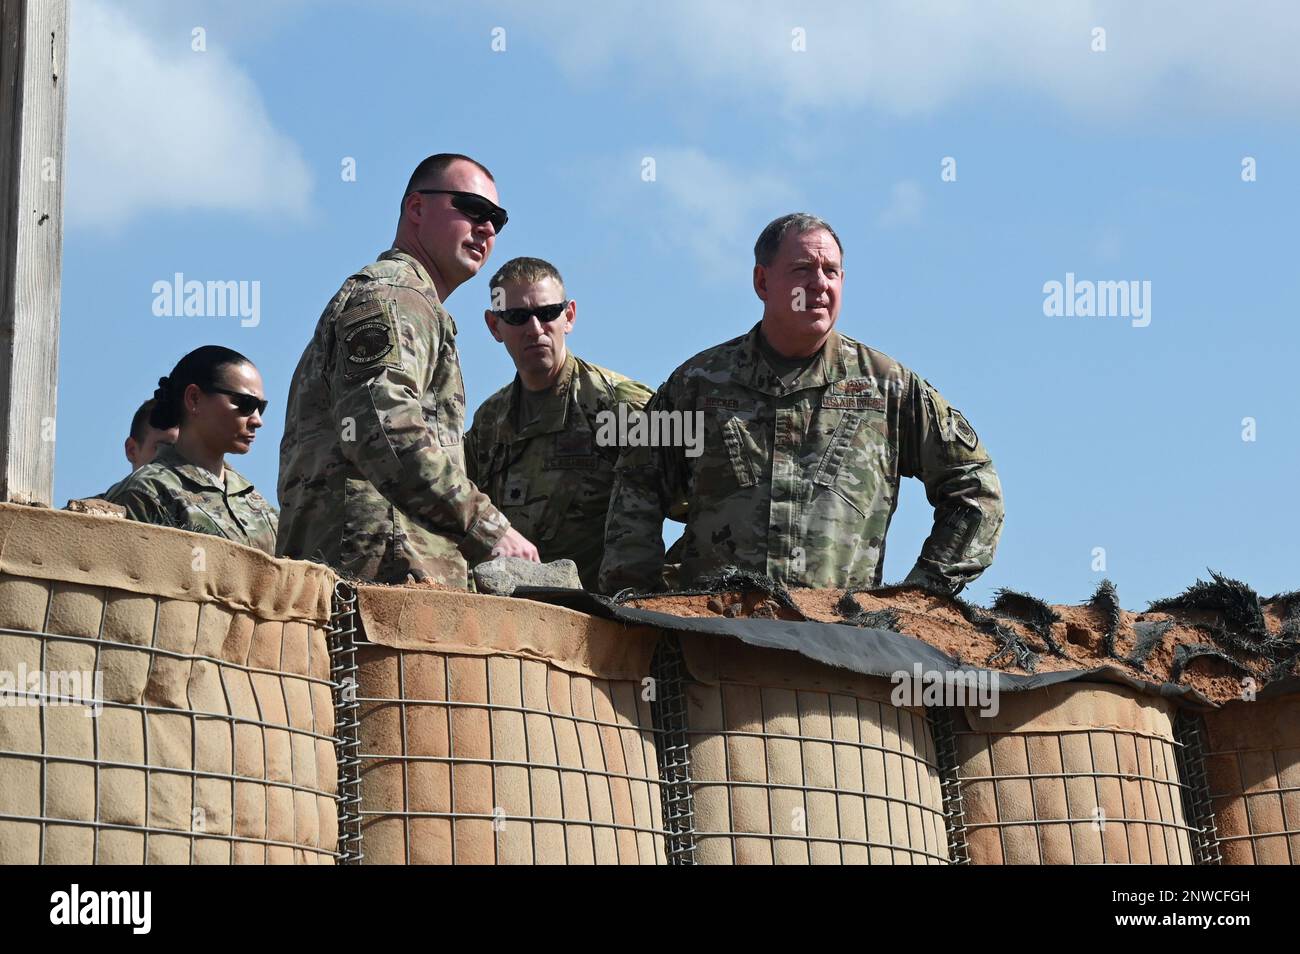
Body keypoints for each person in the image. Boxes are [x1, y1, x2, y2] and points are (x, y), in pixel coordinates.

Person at [599, 212, 1004, 596]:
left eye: (831, 272)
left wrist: (922, 594)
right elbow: (637, 482)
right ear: (762, 282)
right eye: (802, 270)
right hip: (714, 638)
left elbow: (974, 484)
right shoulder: (696, 383)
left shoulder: (887, 387)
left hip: (836, 643)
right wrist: (636, 600)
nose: (819, 284)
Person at [276, 153, 537, 585]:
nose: (487, 227)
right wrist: (488, 527)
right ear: (416, 209)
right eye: (472, 208)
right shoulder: (395, 295)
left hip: (387, 583)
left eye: (498, 219)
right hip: (375, 590)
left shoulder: (415, 301)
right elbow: (383, 427)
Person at [464, 257, 657, 589]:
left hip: (603, 619)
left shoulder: (619, 406)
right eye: (517, 317)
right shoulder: (489, 423)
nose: (536, 329)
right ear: (495, 326)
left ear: (569, 316)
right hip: (511, 617)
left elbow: (701, 496)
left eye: (548, 313)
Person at [107, 346, 278, 554]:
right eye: (246, 403)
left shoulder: (256, 503)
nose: (257, 420)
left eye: (261, 407)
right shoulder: (147, 494)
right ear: (194, 398)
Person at [75, 399, 178, 503]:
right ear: (131, 450)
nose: (175, 459)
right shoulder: (95, 512)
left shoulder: (191, 502)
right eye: (162, 448)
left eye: (180, 451)